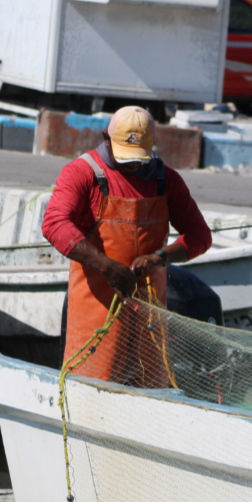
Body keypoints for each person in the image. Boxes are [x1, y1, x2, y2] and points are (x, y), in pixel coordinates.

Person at [42, 106, 212, 385]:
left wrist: (160, 257)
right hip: (96, 311)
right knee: (94, 385)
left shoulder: (166, 180)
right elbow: (54, 224)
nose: (133, 165)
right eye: (126, 157)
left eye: (139, 158)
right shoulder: (83, 173)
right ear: (105, 138)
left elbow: (200, 235)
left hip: (149, 316)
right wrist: (106, 266)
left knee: (149, 388)